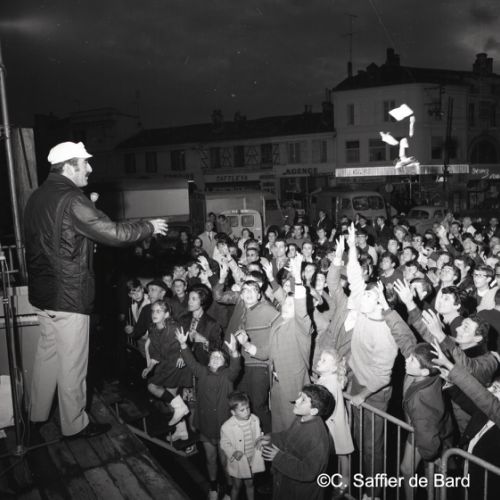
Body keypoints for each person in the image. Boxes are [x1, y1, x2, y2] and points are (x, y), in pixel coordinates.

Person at [25, 141, 167, 439]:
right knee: (73, 364)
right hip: (68, 295)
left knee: (46, 355)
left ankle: (36, 414)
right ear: (68, 166)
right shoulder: (72, 198)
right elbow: (113, 233)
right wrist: (148, 226)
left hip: (43, 293)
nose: (89, 168)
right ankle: (74, 424)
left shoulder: (38, 196)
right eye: (84, 163)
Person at [176, 328, 241, 500]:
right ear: (209, 360)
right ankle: (213, 486)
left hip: (224, 428)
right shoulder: (202, 372)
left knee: (225, 461)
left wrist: (234, 352)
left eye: (220, 357)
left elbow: (236, 368)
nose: (215, 358)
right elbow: (191, 362)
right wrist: (183, 344)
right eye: (213, 356)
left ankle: (229, 489)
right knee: (210, 459)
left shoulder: (227, 375)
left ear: (224, 363)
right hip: (206, 425)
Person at [256, 384, 334, 500]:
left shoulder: (317, 438)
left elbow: (308, 472)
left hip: (301, 492)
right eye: (299, 396)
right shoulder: (302, 418)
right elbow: (287, 436)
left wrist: (279, 457)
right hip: (287, 484)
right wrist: (271, 438)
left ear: (313, 411)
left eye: (303, 400)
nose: (296, 401)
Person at [220, 391, 265, 500]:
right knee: (237, 486)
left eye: (248, 408)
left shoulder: (255, 420)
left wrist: (261, 440)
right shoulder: (227, 427)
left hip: (252, 459)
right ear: (233, 412)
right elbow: (224, 443)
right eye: (242, 410)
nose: (246, 412)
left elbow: (259, 434)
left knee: (250, 484)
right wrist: (233, 452)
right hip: (238, 461)